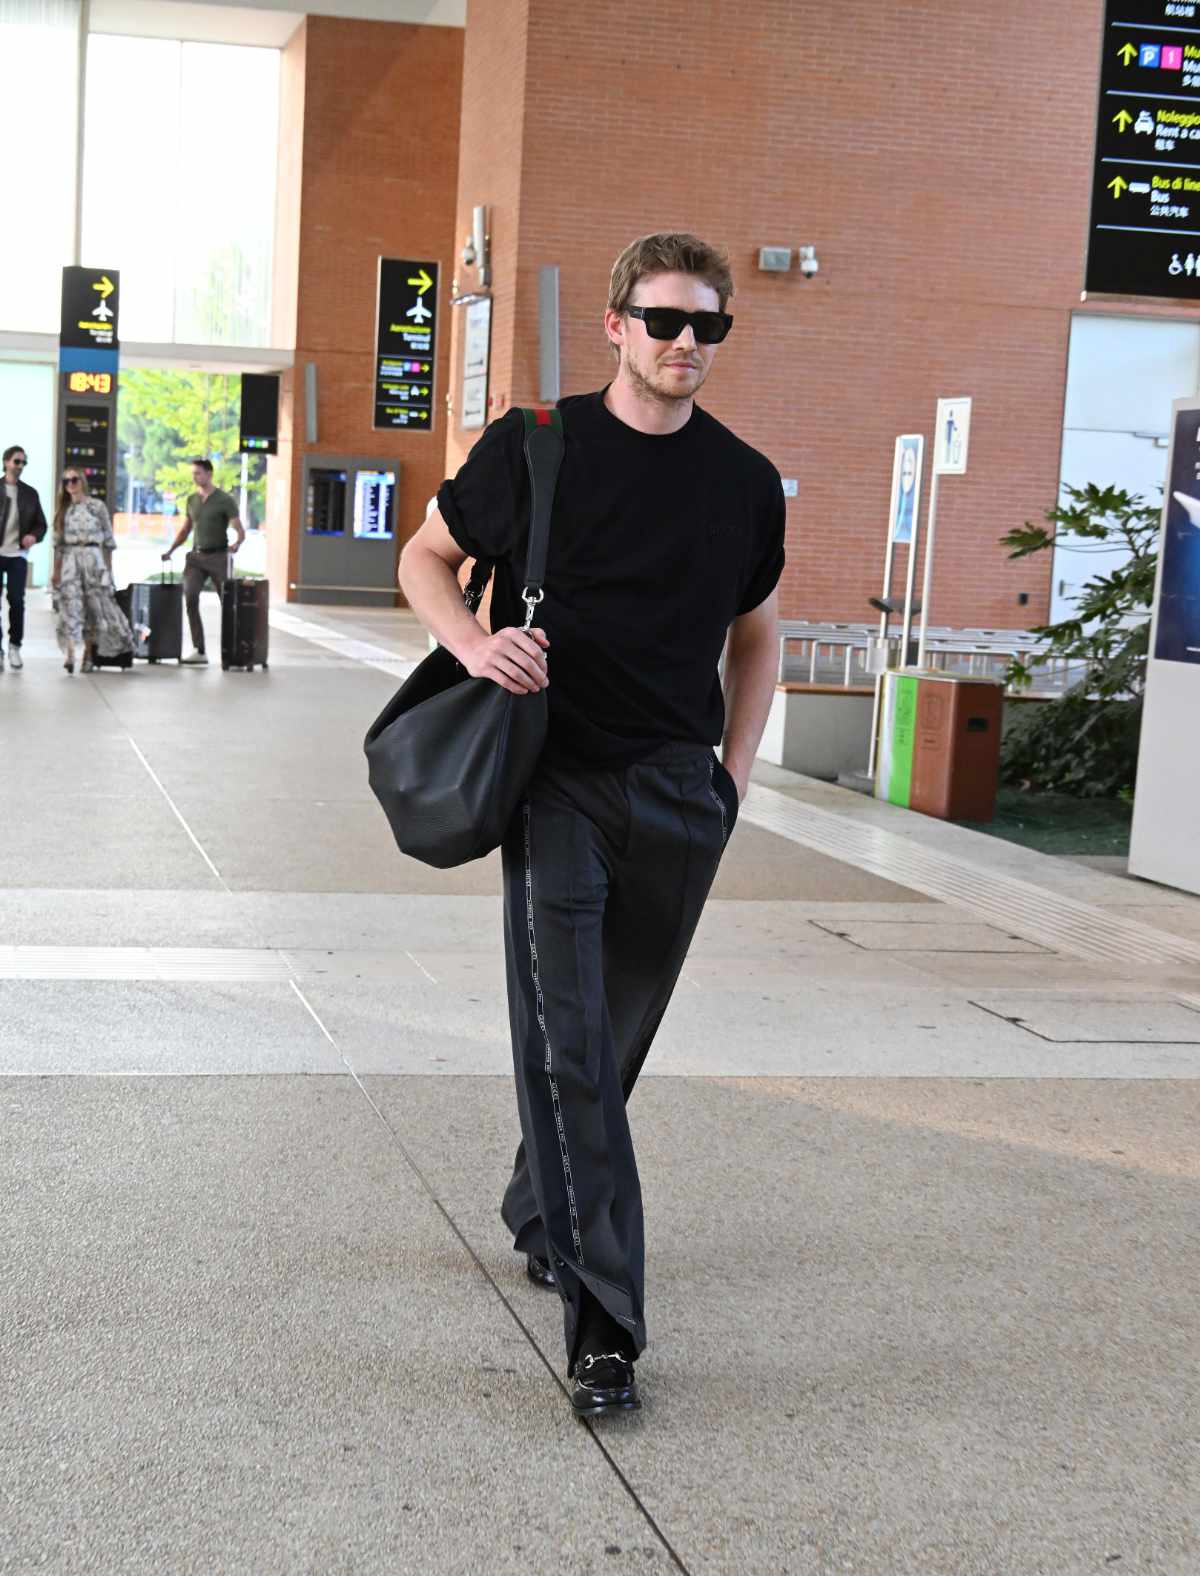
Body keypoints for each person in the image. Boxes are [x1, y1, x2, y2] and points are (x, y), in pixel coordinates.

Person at [398, 232, 784, 1419]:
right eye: (664, 322)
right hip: (555, 778)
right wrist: (473, 641)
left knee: (613, 1036)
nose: (685, 346)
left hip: (677, 791)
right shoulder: (538, 446)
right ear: (616, 324)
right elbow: (428, 554)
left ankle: (539, 1203)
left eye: (706, 327)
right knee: (569, 1043)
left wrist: (732, 772)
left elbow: (757, 630)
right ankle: (605, 1326)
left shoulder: (742, 480)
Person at [161, 458, 245, 665]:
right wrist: (171, 550)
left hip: (219, 557)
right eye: (193, 474)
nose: (194, 477)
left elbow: (239, 529)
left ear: (209, 474)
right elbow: (185, 529)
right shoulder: (191, 500)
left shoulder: (225, 500)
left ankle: (234, 650)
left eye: (198, 473)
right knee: (190, 598)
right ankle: (199, 650)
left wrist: (237, 544)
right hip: (196, 558)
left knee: (228, 604)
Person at [50, 470, 133, 673]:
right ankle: (70, 654)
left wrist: (109, 570)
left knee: (92, 609)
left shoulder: (97, 507)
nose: (70, 484)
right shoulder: (63, 510)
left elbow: (108, 540)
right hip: (71, 559)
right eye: (66, 481)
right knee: (70, 606)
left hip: (94, 560)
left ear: (82, 481)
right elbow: (57, 545)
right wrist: (56, 571)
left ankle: (88, 655)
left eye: (74, 479)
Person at [1, 444, 49, 672]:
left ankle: (14, 646)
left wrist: (32, 536)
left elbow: (41, 524)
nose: (20, 466)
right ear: (6, 462)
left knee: (17, 601)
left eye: (23, 463)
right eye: (16, 461)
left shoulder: (30, 494)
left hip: (18, 555)